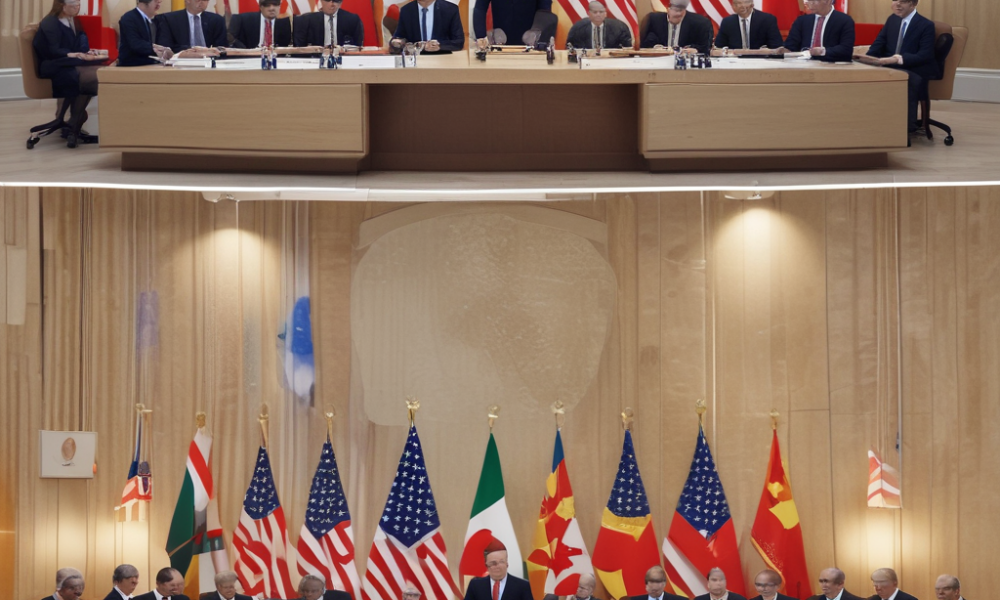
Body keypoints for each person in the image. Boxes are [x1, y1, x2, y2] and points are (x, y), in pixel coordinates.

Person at [31, 0, 103, 147]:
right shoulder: (50, 22)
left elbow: (72, 43)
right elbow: (54, 50)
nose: (77, 7)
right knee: (91, 79)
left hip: (66, 62)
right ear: (61, 6)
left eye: (78, 4)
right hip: (53, 65)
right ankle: (73, 127)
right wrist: (74, 54)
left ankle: (72, 127)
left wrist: (85, 52)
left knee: (92, 76)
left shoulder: (70, 20)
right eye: (73, 4)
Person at [865, 0, 937, 134]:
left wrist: (897, 59)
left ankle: (907, 128)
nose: (897, 5)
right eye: (894, 0)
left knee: (906, 79)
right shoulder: (892, 20)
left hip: (914, 67)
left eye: (903, 1)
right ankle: (873, 122)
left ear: (913, 4)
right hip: (890, 65)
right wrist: (867, 60)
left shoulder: (926, 25)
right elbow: (878, 44)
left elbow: (925, 55)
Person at [780, 0, 854, 61]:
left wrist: (822, 52)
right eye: (808, 0)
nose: (810, 4)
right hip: (803, 64)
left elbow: (846, 49)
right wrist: (782, 50)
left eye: (814, 1)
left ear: (828, 1)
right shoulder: (802, 21)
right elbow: (790, 46)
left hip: (831, 64)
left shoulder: (844, 20)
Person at [462, 542, 533, 600]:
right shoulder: (475, 585)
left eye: (501, 562)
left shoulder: (523, 586)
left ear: (507, 563)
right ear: (486, 566)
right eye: (493, 563)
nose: (497, 566)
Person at [640, 0, 714, 55]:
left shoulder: (700, 23)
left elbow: (706, 48)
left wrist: (696, 51)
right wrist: (656, 48)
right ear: (668, 10)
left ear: (684, 11)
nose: (677, 14)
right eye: (674, 12)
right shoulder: (654, 20)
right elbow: (644, 45)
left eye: (680, 15)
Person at [390, 0, 465, 52]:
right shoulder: (406, 10)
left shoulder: (450, 9)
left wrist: (440, 46)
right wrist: (396, 42)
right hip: (416, 60)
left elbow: (459, 42)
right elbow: (398, 37)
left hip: (442, 59)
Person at [155, 0, 227, 52]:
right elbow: (165, 46)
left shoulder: (217, 20)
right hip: (180, 61)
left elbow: (222, 47)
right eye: (198, 0)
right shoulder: (170, 19)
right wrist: (192, 51)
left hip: (209, 61)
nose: (202, 3)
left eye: (205, 0)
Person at [473, 0, 552, 46]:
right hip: (499, 43)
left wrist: (539, 38)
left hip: (530, 44)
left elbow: (544, 11)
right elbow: (480, 9)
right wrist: (482, 39)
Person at [118, 0, 173, 66]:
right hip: (131, 66)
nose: (159, 3)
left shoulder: (155, 20)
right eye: (156, 0)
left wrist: (165, 50)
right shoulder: (129, 18)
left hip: (149, 65)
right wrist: (155, 48)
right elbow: (135, 44)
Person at [714, 0, 782, 50]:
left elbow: (776, 46)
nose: (742, 6)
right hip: (735, 62)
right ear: (733, 6)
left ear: (752, 4)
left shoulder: (767, 20)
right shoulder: (727, 22)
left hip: (761, 60)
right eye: (738, 3)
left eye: (746, 2)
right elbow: (719, 47)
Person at [294, 0, 365, 47]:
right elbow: (299, 49)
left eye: (336, 0)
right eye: (328, 0)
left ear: (341, 3)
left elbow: (357, 47)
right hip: (314, 61)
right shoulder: (305, 21)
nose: (332, 4)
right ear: (321, 1)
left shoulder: (352, 20)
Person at [565, 2, 633, 50]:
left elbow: (627, 48)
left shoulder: (619, 28)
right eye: (595, 12)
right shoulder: (578, 28)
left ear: (605, 14)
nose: (598, 14)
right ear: (588, 13)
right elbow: (570, 47)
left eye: (601, 12)